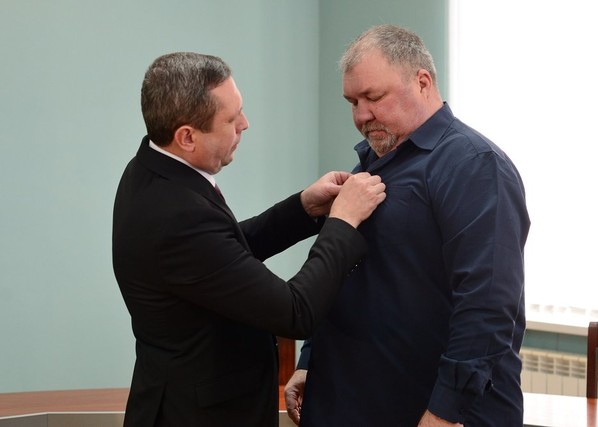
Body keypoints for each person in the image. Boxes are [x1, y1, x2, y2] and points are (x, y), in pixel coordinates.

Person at [112, 52, 386, 427]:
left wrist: (303, 208)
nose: (245, 124)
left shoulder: (150, 167)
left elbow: (222, 252)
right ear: (187, 137)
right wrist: (343, 221)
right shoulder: (177, 215)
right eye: (231, 118)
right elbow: (295, 313)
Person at [284, 25, 530, 427]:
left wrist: (445, 411)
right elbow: (345, 276)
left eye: (374, 97)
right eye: (353, 101)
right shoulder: (370, 164)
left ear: (422, 82)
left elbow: (487, 305)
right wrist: (311, 359)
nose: (361, 115)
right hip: (350, 400)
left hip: (431, 411)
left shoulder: (474, 165)